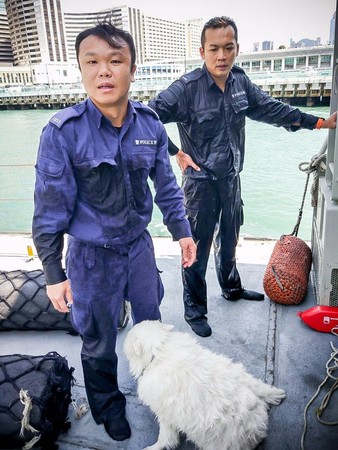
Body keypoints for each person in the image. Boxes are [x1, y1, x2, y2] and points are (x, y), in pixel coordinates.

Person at [32, 20, 196, 442]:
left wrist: (183, 232)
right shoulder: (62, 133)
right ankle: (107, 403)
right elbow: (49, 212)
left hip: (138, 249)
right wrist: (54, 274)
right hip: (90, 257)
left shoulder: (151, 125)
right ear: (81, 70)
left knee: (152, 325)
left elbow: (167, 187)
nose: (104, 71)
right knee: (98, 339)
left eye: (115, 60)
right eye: (93, 62)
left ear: (132, 69)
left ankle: (159, 395)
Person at [148, 16, 337, 338]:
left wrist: (319, 124)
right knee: (196, 251)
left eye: (228, 47)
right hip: (199, 185)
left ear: (236, 49)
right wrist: (175, 152)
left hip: (232, 180)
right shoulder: (186, 88)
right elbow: (146, 119)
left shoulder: (240, 81)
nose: (221, 56)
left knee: (230, 239)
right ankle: (195, 310)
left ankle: (231, 288)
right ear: (202, 51)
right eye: (214, 49)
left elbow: (272, 109)